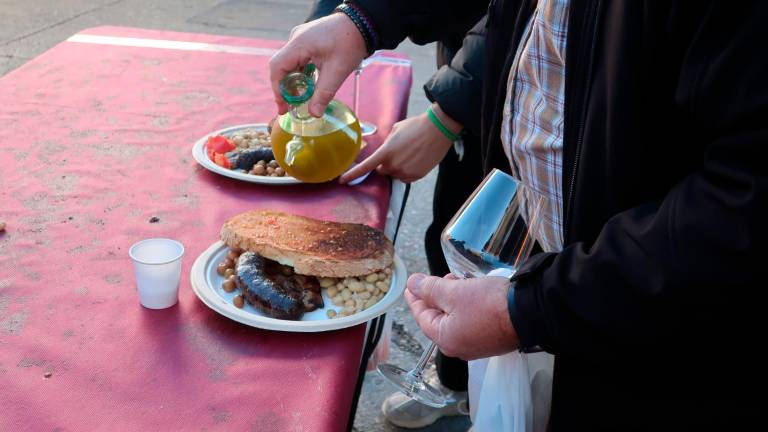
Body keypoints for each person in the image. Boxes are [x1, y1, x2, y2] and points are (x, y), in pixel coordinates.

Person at [270, 1, 767, 429]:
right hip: (573, 294)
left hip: (666, 350)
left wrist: (534, 308)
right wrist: (362, 19)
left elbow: (740, 209)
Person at [304, 2, 488, 428]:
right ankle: (454, 377)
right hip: (481, 89)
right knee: (451, 235)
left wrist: (447, 116)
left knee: (498, 264)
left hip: (554, 117)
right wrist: (343, 19)